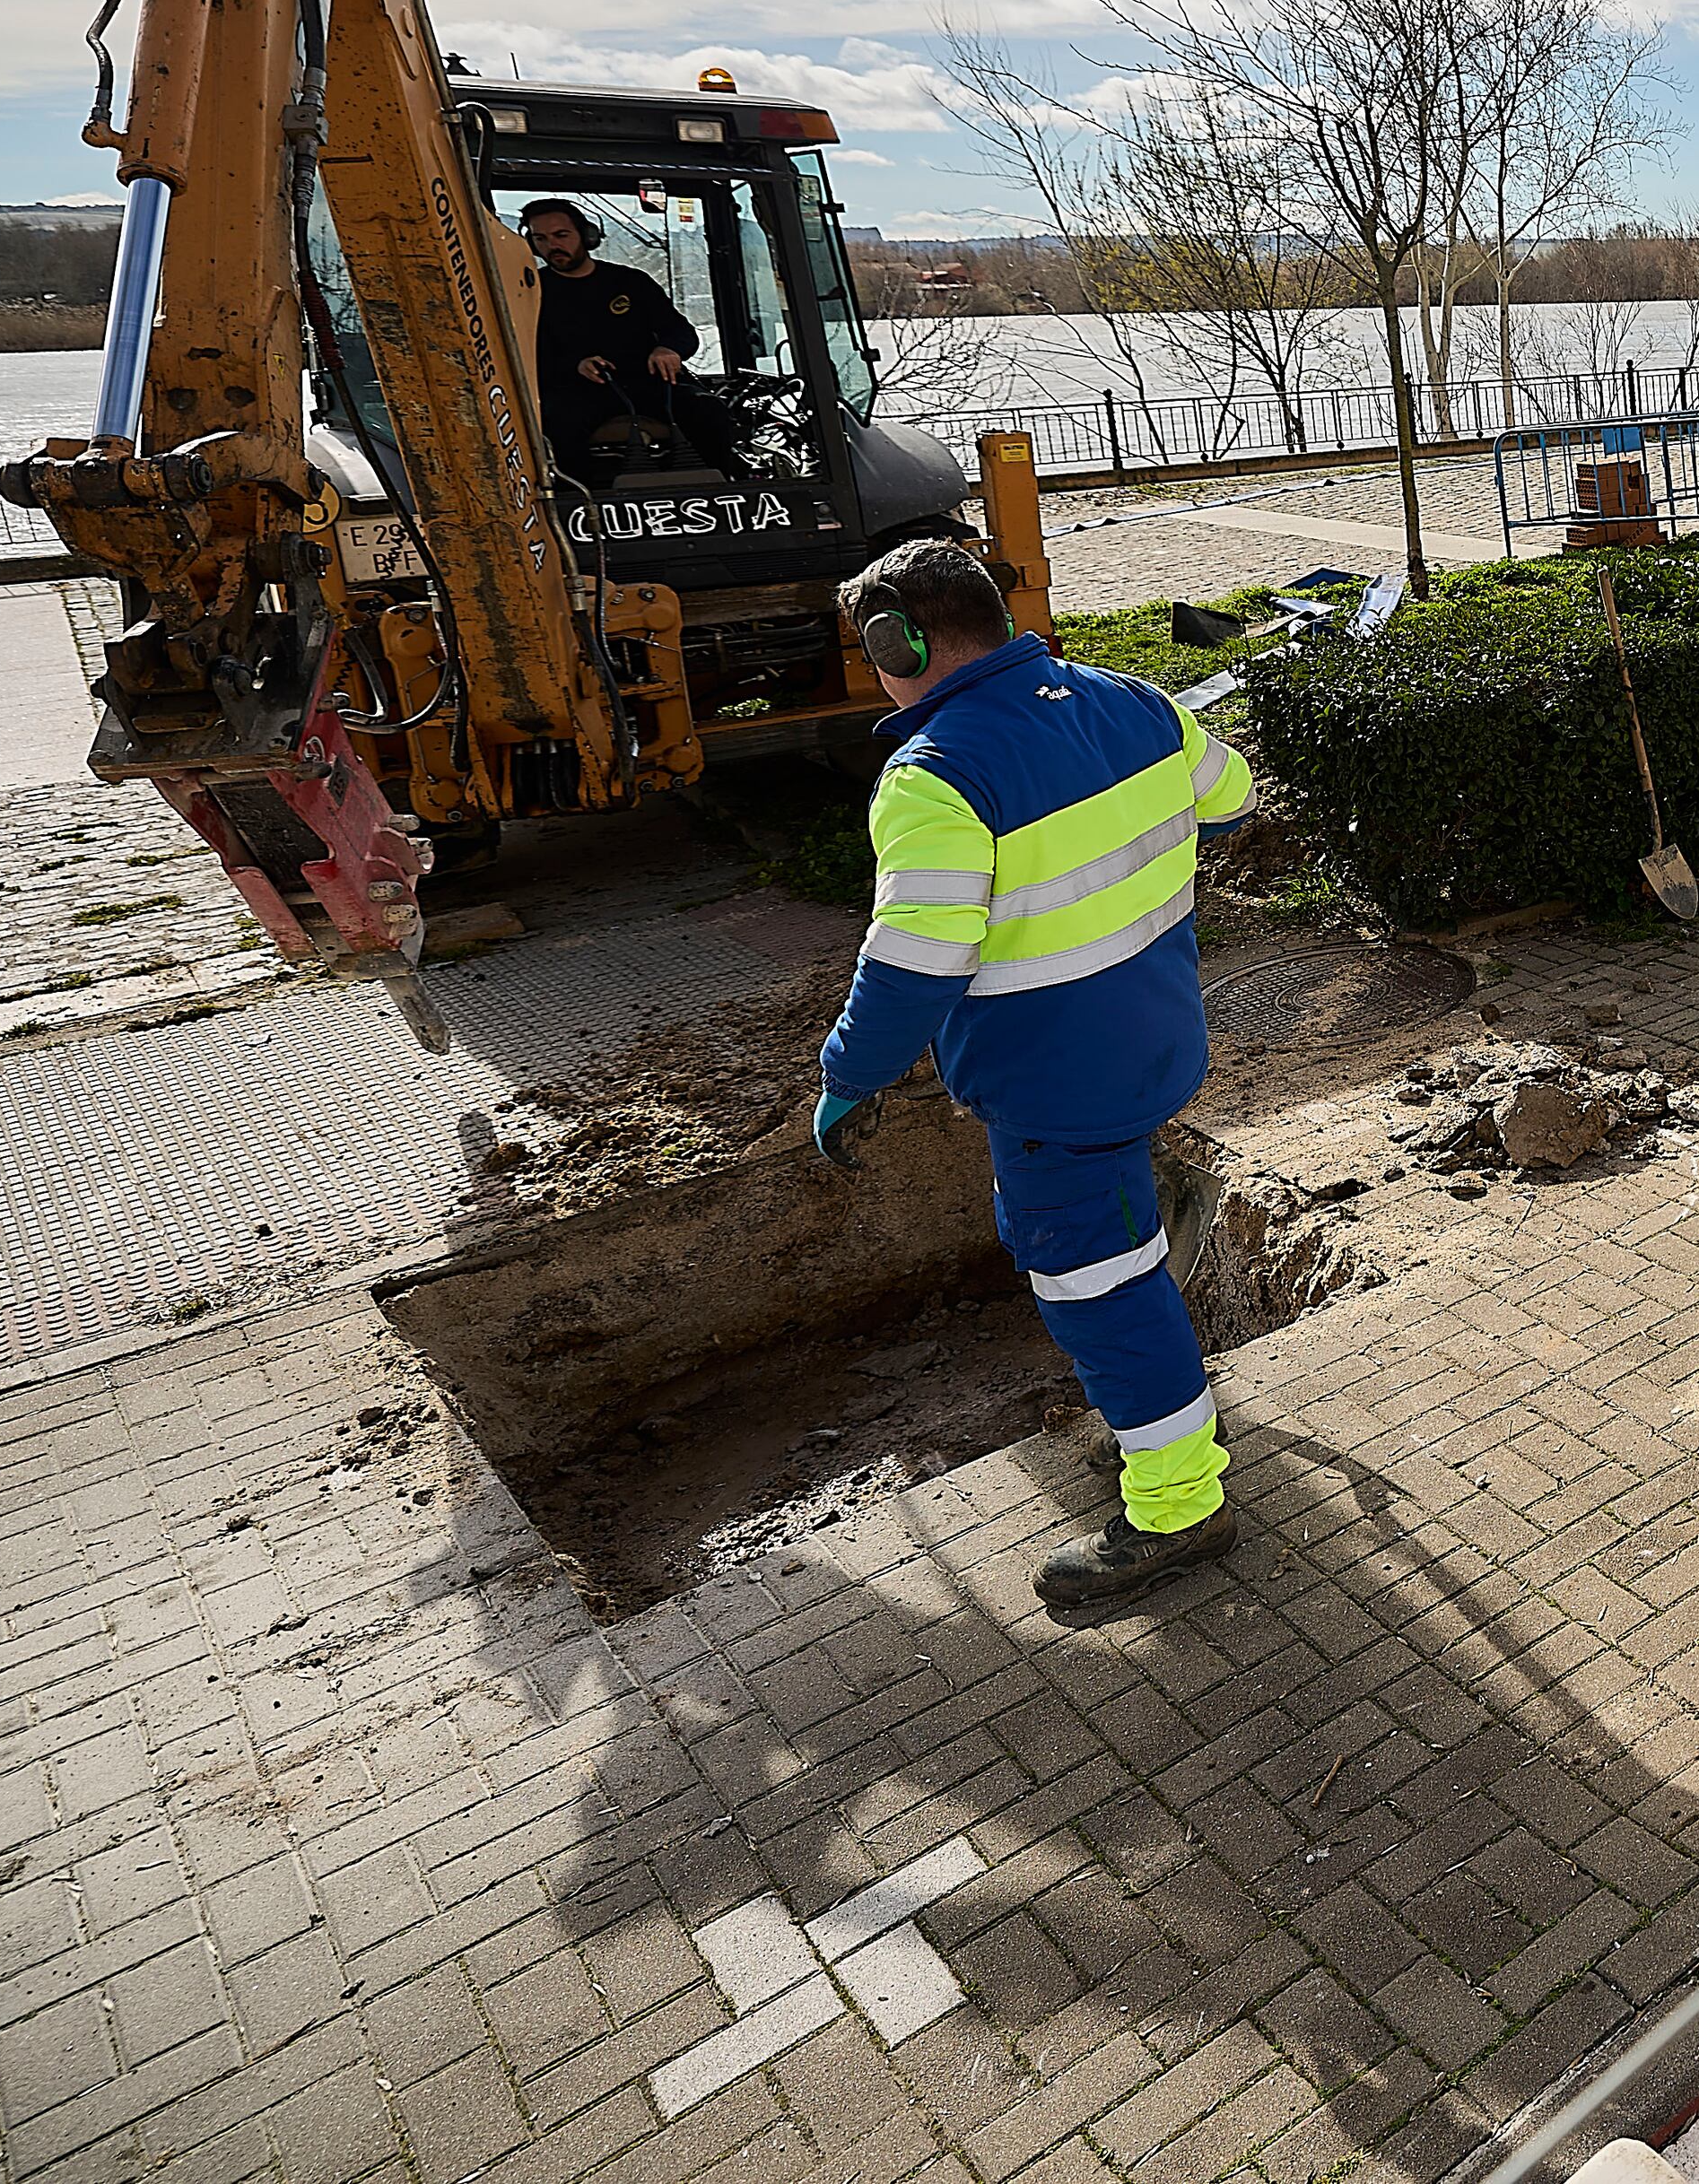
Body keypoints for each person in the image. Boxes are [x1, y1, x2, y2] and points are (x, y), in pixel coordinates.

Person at [807, 539, 1260, 1612]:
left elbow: (913, 961)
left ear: (897, 641)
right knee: (1105, 1245)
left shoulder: (934, 778)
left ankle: (1177, 1503)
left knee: (1093, 1286)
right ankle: (1171, 1405)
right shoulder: (1138, 702)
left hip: (1057, 1089)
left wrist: (848, 1074)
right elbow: (1232, 798)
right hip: (1158, 1045)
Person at [522, 197, 738, 472]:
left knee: (709, 411)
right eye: (540, 238)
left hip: (649, 386)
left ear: (586, 236)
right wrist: (575, 365)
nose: (552, 246)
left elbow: (682, 332)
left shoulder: (631, 282)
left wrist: (669, 349)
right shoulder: (531, 293)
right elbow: (529, 354)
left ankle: (718, 492)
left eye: (561, 235)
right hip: (577, 392)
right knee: (555, 425)